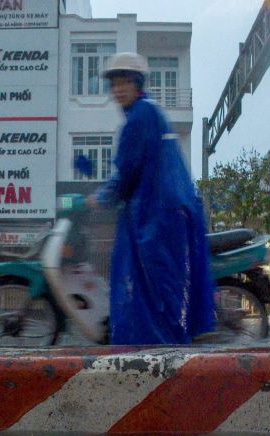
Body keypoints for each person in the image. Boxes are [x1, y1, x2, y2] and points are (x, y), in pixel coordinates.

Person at [92, 52, 215, 345]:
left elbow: (126, 172)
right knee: (162, 291)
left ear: (138, 84)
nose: (118, 89)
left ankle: (159, 361)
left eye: (125, 82)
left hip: (157, 218)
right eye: (114, 84)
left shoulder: (139, 117)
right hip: (167, 213)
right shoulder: (151, 112)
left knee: (150, 292)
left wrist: (100, 199)